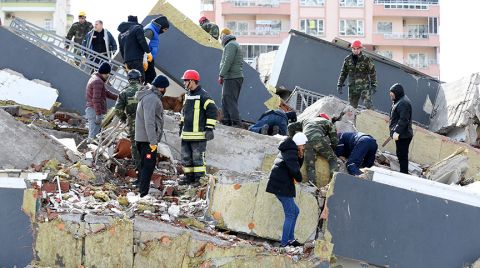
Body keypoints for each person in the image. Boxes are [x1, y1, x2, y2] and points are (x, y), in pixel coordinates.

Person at [266, 132, 308, 247]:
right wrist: (300, 178)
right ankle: (284, 244)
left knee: (295, 211)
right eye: (303, 145)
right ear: (298, 143)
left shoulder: (291, 150)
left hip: (281, 185)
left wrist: (301, 155)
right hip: (281, 186)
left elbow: (296, 165)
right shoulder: (290, 152)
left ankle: (290, 239)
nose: (303, 147)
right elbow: (295, 169)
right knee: (290, 214)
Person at [178, 70, 218, 186]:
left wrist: (209, 128)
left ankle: (199, 180)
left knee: (198, 159)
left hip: (198, 135)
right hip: (186, 135)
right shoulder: (187, 95)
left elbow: (212, 110)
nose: (184, 83)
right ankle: (188, 178)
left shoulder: (203, 95)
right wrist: (181, 126)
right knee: (186, 158)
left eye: (186, 81)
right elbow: (183, 113)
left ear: (192, 81)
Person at [134, 75, 169, 197]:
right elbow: (149, 122)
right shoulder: (152, 99)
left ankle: (141, 190)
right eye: (165, 88)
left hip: (143, 138)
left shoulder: (148, 96)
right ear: (161, 87)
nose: (165, 91)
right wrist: (153, 142)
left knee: (144, 165)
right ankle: (143, 193)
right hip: (147, 140)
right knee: (148, 166)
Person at [288, 113, 338, 182]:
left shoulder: (306, 120)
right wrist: (329, 149)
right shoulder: (328, 122)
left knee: (310, 165)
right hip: (318, 140)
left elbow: (290, 126)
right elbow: (335, 141)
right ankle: (334, 182)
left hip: (305, 142)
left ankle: (312, 184)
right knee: (332, 159)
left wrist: (293, 140)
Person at [114, 69, 144, 175]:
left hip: (133, 123)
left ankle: (140, 170)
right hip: (147, 123)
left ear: (129, 79)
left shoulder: (124, 92)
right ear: (139, 78)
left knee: (135, 146)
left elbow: (117, 110)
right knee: (147, 145)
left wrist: (124, 118)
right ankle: (149, 167)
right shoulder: (146, 90)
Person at [337, 40, 377, 109]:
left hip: (364, 86)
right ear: (352, 49)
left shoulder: (366, 59)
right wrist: (340, 84)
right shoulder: (348, 59)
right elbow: (343, 73)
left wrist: (374, 85)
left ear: (360, 49)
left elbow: (372, 72)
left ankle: (374, 119)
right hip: (352, 87)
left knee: (368, 104)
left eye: (357, 49)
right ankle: (352, 120)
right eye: (354, 49)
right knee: (351, 107)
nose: (355, 50)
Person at [85, 62, 118, 139]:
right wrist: (98, 115)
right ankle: (90, 149)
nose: (108, 76)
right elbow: (96, 100)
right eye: (108, 74)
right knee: (93, 136)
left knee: (93, 133)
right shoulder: (98, 82)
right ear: (106, 73)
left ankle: (90, 148)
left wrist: (119, 97)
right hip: (94, 111)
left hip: (92, 110)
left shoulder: (95, 78)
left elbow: (106, 93)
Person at [219, 33, 244, 127]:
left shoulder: (230, 45)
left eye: (221, 38)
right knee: (226, 99)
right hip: (231, 77)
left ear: (224, 38)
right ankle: (227, 120)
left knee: (230, 100)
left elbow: (228, 60)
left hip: (232, 77)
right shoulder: (234, 44)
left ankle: (235, 122)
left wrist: (221, 74)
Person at [389, 83, 413, 174]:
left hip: (404, 135)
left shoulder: (403, 103)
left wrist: (397, 132)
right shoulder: (398, 100)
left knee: (402, 155)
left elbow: (403, 119)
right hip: (401, 134)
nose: (391, 96)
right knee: (400, 154)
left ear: (397, 93)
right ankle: (403, 172)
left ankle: (404, 173)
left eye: (392, 94)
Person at [144, 16, 170, 84]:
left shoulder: (153, 29)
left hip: (149, 58)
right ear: (161, 26)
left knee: (151, 78)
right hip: (146, 58)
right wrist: (144, 59)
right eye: (165, 29)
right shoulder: (150, 31)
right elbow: (143, 44)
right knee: (152, 79)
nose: (165, 31)